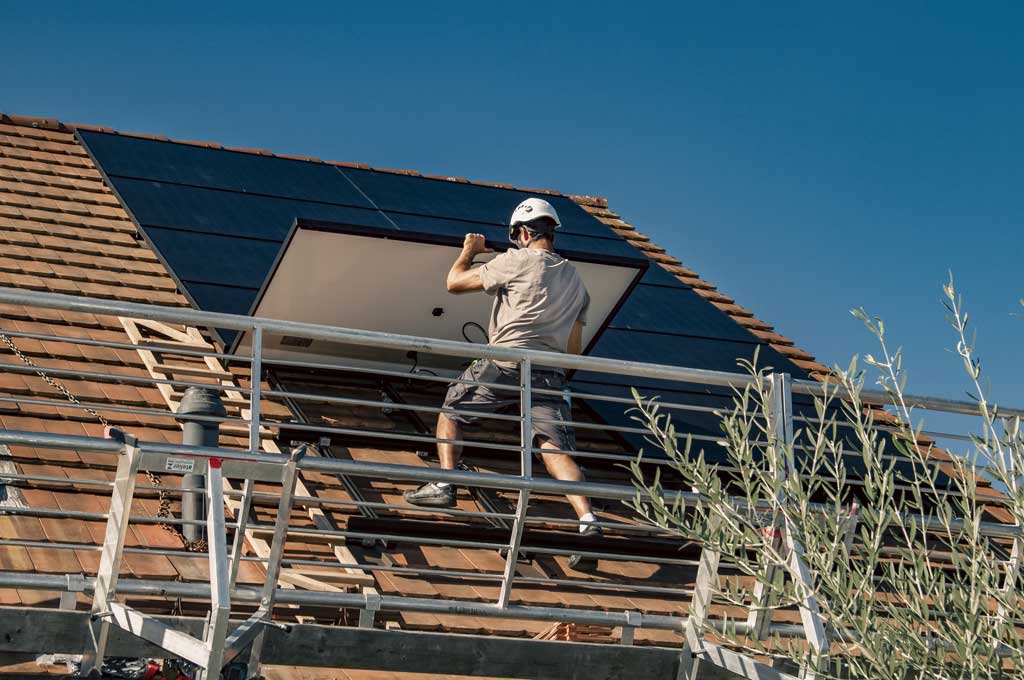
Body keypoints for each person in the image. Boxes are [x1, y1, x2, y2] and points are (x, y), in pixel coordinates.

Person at [404, 198, 600, 544]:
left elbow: (454, 282)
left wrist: (470, 250)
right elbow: (573, 350)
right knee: (553, 446)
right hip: (548, 374)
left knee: (452, 409)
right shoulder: (577, 281)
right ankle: (587, 518)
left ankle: (445, 483)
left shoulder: (516, 260)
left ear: (523, 232)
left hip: (505, 363)